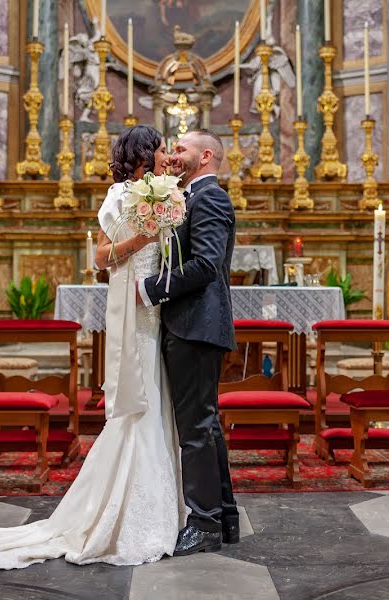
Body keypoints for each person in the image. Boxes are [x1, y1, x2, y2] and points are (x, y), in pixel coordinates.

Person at [0, 126, 187, 577]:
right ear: (140, 154)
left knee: (159, 399)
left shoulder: (165, 193)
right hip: (133, 315)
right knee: (140, 402)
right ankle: (129, 511)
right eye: (156, 149)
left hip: (157, 315)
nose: (162, 156)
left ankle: (164, 506)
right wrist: (142, 238)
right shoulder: (119, 195)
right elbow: (101, 257)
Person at [138, 129, 238, 556]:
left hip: (195, 326)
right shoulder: (188, 197)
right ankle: (224, 515)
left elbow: (205, 265)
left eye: (181, 149)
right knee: (206, 425)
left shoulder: (209, 197)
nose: (174, 156)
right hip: (193, 326)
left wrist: (152, 289)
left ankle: (204, 524)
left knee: (195, 430)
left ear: (206, 156)